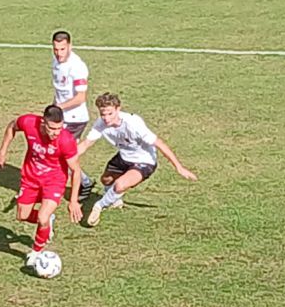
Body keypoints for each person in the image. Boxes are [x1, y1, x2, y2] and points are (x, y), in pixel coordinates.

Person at [78, 93, 198, 227]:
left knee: (120, 185)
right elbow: (86, 144)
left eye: (110, 113)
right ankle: (114, 199)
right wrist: (67, 157)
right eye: (103, 114)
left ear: (118, 109)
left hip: (144, 161)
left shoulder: (133, 123)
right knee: (106, 180)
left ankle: (99, 206)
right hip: (124, 157)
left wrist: (179, 167)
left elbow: (159, 143)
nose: (106, 118)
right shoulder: (101, 123)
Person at [0, 105, 83, 266]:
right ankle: (48, 221)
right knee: (22, 216)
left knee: (42, 217)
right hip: (30, 179)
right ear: (43, 122)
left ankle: (36, 252)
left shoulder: (66, 140)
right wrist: (2, 151)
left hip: (54, 181)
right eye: (52, 128)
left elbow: (76, 171)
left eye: (59, 128)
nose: (56, 132)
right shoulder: (29, 122)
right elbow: (12, 126)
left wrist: (73, 201)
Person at [51, 30, 95, 200]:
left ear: (70, 46)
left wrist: (58, 108)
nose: (59, 53)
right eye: (55, 49)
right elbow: (59, 90)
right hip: (61, 115)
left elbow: (80, 98)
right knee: (59, 153)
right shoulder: (55, 60)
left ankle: (81, 183)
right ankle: (83, 182)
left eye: (62, 49)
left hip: (75, 119)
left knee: (62, 154)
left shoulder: (77, 67)